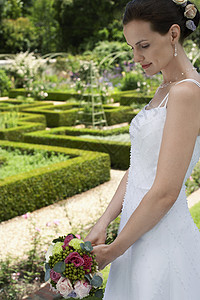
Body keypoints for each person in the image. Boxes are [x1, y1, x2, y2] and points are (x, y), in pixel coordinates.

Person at [85, 0, 200, 298]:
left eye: (144, 45)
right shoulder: (165, 88)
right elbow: (140, 168)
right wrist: (104, 221)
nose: (136, 57)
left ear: (173, 34)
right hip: (134, 233)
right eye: (132, 48)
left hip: (160, 240)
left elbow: (165, 192)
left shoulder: (187, 92)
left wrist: (114, 250)